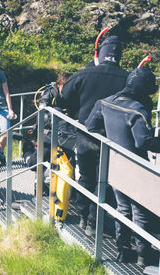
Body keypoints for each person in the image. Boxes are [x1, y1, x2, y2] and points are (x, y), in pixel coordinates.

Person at [86, 67, 160, 267]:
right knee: (140, 211)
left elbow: (90, 126)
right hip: (136, 167)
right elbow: (143, 143)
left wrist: (112, 138)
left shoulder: (105, 102)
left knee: (122, 207)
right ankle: (143, 254)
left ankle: (122, 250)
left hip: (116, 164)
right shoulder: (138, 111)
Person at [60, 35, 129, 236]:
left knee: (87, 176)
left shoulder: (83, 74)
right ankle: (95, 221)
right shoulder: (127, 78)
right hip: (113, 139)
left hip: (85, 134)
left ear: (99, 53)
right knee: (105, 180)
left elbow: (65, 98)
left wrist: (75, 111)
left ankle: (83, 215)